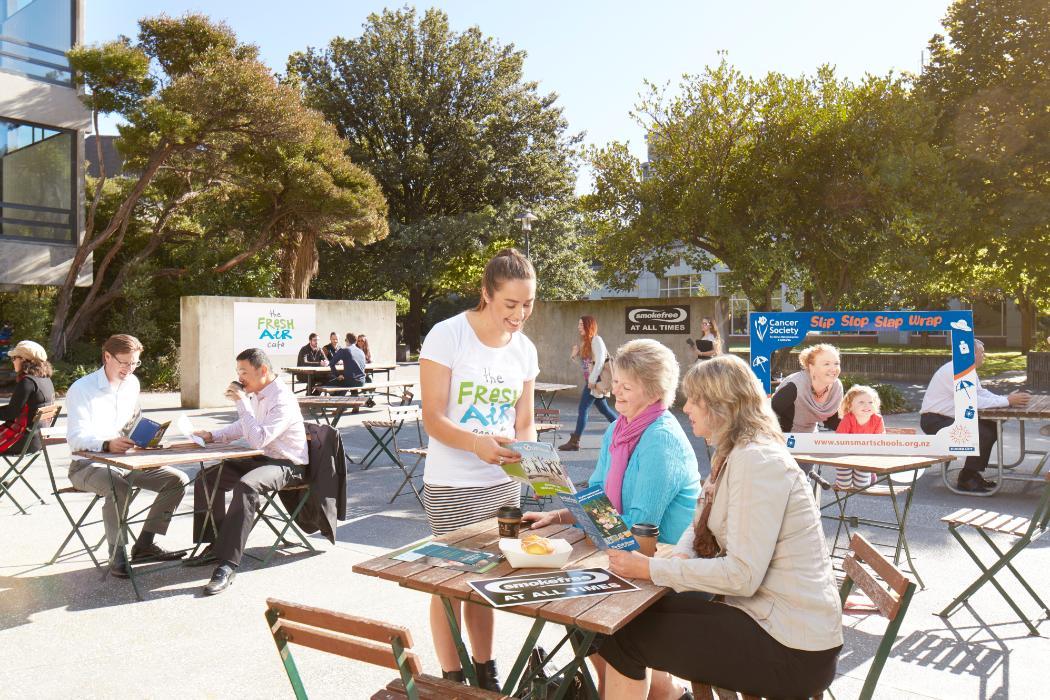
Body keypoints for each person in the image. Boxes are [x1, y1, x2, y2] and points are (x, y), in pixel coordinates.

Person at [599, 354, 842, 699]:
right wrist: (681, 557)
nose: (686, 408)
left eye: (694, 400)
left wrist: (651, 569)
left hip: (791, 648)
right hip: (768, 621)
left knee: (624, 638)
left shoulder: (757, 462)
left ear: (720, 405)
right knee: (621, 621)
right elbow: (699, 519)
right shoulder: (738, 451)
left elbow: (742, 575)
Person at [418, 248, 539, 691]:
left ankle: (485, 673)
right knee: (450, 581)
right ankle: (452, 678)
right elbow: (433, 418)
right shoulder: (447, 335)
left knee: (488, 580)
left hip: (503, 487)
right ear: (486, 293)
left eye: (528, 304)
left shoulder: (524, 349)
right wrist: (476, 443)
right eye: (511, 304)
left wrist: (533, 462)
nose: (519, 315)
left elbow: (524, 422)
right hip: (453, 483)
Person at [529, 339, 700, 543]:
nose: (616, 391)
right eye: (616, 381)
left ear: (655, 393)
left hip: (666, 555)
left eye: (626, 387)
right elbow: (598, 498)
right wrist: (557, 514)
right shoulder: (616, 429)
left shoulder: (662, 440)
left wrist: (573, 514)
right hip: (620, 547)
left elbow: (640, 526)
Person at [66, 334, 190, 578]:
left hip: (125, 461)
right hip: (86, 465)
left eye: (134, 363)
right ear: (107, 357)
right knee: (118, 487)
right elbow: (75, 439)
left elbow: (131, 423)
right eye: (124, 362)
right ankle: (117, 553)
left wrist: (145, 439)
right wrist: (106, 444)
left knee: (177, 480)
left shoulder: (132, 383)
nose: (129, 369)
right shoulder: (82, 389)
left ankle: (145, 545)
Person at [188, 348, 309, 595]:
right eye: (238, 372)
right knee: (207, 479)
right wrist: (212, 435)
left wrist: (241, 402)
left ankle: (227, 564)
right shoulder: (257, 393)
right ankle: (214, 544)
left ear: (262, 370)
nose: (239, 377)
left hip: (288, 464)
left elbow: (257, 439)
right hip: (264, 458)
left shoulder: (282, 399)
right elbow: (245, 425)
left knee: (247, 486)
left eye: (244, 372)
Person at [920, 339, 1030, 493]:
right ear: (971, 354)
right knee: (981, 433)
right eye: (982, 353)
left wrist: (1006, 400)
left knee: (992, 427)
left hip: (947, 417)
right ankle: (966, 479)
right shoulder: (955, 371)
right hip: (935, 420)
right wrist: (1007, 401)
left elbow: (980, 393)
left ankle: (971, 473)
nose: (984, 356)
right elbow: (971, 401)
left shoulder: (966, 370)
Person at [558, 315, 618, 451]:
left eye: (581, 324)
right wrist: (575, 355)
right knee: (604, 410)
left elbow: (600, 362)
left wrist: (592, 380)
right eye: (579, 324)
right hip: (592, 381)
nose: (579, 327)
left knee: (583, 409)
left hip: (595, 382)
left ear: (588, 325)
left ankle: (575, 441)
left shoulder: (597, 340)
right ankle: (625, 430)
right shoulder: (586, 342)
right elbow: (585, 365)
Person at [770, 343, 843, 433]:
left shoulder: (836, 386)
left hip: (809, 436)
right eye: (826, 364)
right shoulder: (795, 386)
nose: (833, 368)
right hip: (782, 435)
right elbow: (770, 411)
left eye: (836, 363)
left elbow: (831, 420)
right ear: (811, 367)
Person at [0, 340, 56, 455]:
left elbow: (11, 413)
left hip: (23, 440)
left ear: (24, 360)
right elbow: (17, 408)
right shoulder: (46, 380)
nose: (12, 361)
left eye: (14, 358)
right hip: (39, 440)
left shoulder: (27, 382)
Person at [834, 385, 885, 489]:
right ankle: (848, 476)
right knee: (844, 485)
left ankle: (869, 475)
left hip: (865, 456)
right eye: (861, 402)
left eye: (870, 402)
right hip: (846, 457)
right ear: (850, 405)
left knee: (861, 486)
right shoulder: (848, 419)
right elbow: (839, 441)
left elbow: (880, 441)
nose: (867, 405)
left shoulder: (877, 419)